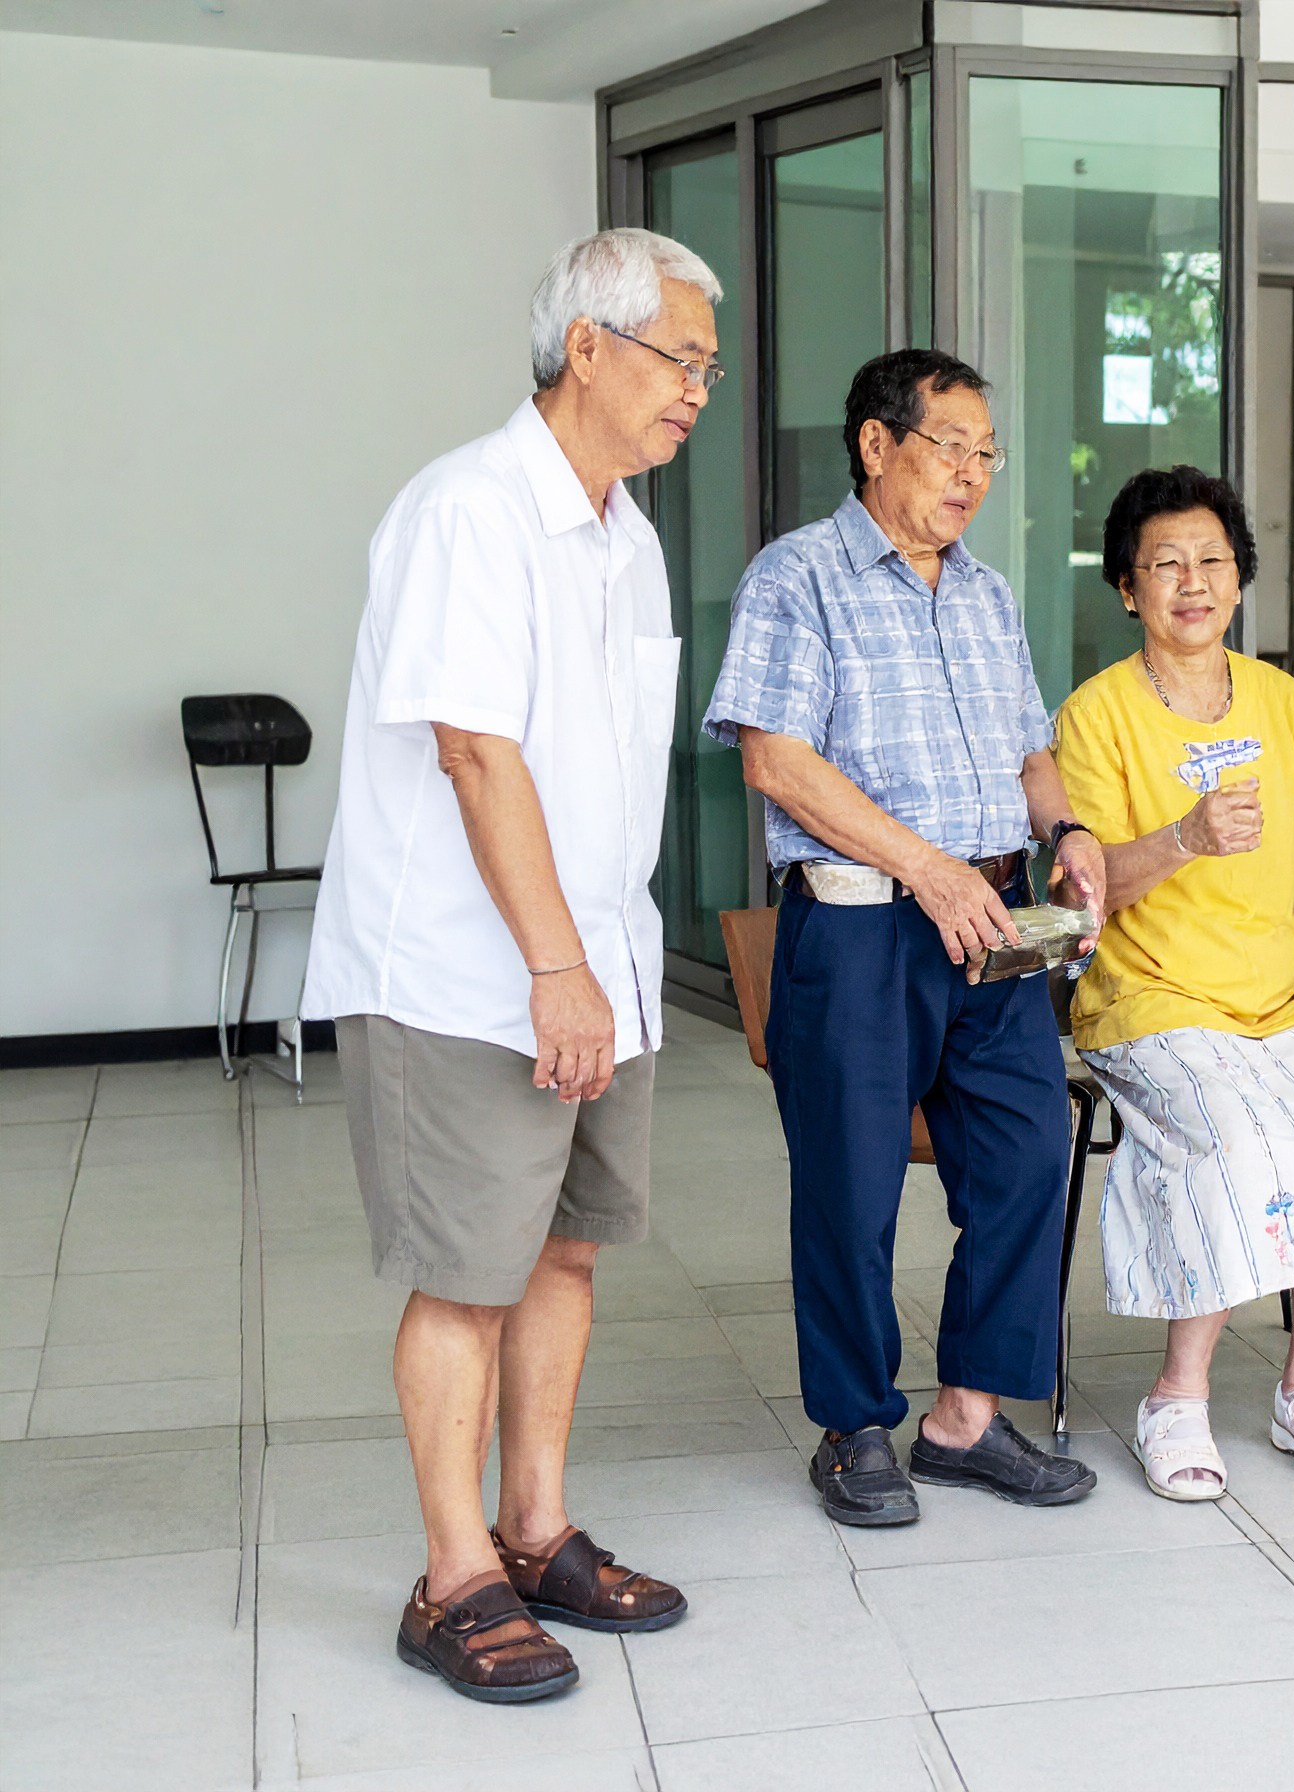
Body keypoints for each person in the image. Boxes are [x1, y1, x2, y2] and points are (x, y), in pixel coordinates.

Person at [302, 227, 714, 1702]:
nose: (699, 393)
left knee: (564, 1248)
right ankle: (453, 1573)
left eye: (709, 369)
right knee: (466, 1276)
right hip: (466, 973)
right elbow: (476, 752)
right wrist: (553, 967)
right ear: (586, 348)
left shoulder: (627, 529)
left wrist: (594, 959)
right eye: (682, 359)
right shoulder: (466, 510)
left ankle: (537, 1531)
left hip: (592, 951)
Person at [703, 349, 1106, 1526]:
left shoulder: (984, 593)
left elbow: (1032, 750)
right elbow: (777, 759)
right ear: (877, 446)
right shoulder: (799, 577)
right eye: (950, 447)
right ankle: (853, 1428)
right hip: (865, 928)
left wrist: (1070, 825)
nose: (972, 474)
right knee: (851, 1182)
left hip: (995, 926)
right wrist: (925, 867)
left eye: (988, 454)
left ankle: (966, 1418)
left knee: (1032, 1153)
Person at [1053, 466, 1294, 1501]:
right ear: (1127, 588)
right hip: (1150, 1000)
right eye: (1165, 565)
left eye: (1210, 561)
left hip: (1279, 1000)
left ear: (1240, 578)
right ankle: (1179, 1395)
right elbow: (1086, 886)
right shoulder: (1097, 715)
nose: (1191, 582)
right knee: (1237, 1141)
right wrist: (1184, 838)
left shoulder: (1283, 703)